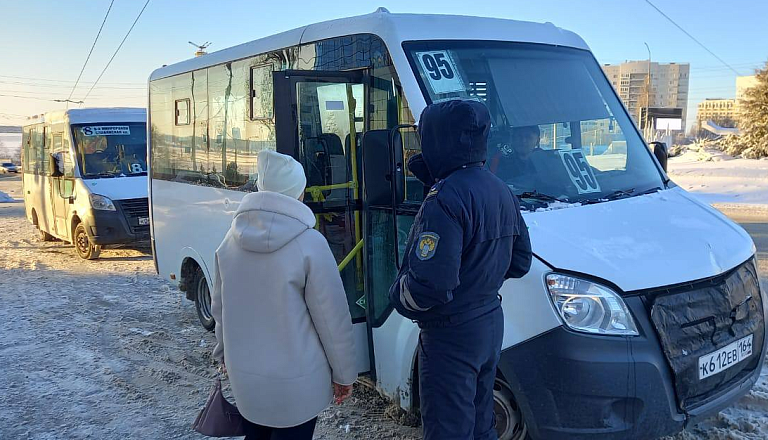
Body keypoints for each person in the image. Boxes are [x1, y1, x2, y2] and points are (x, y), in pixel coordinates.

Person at [389, 100, 532, 440]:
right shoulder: (500, 189)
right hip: (488, 323)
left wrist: (397, 295)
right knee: (481, 423)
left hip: (450, 335)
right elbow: (520, 261)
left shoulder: (444, 198)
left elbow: (429, 285)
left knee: (448, 429)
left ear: (437, 140)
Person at [211, 150, 356, 440]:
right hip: (298, 385)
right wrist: (344, 375)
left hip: (247, 381)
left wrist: (224, 354)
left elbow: (221, 310)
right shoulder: (310, 243)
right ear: (297, 193)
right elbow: (331, 318)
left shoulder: (230, 241)